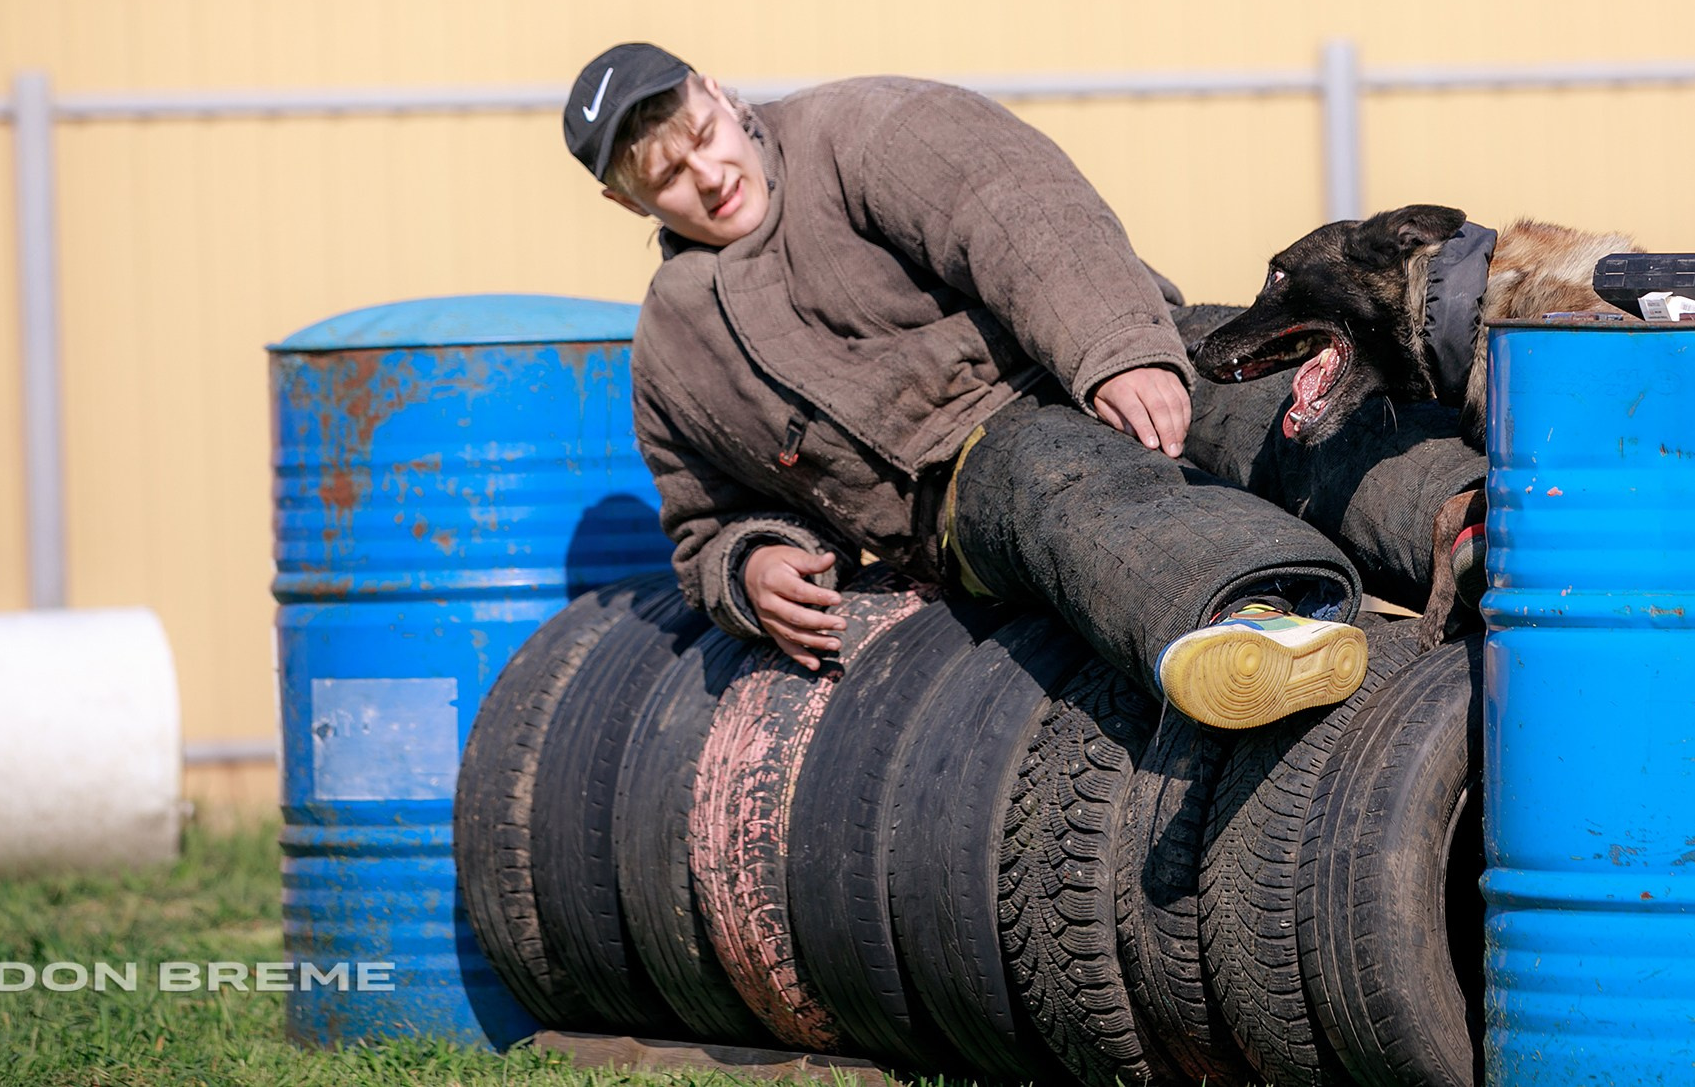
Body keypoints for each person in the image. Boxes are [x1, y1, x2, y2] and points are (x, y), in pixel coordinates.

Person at [562, 41, 1371, 729]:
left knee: (1272, 394)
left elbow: (1016, 204)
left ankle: (1471, 524)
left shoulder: (858, 126)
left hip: (1090, 341)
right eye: (669, 175)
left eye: (704, 134)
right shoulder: (673, 345)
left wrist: (1120, 347)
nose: (708, 174)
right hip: (966, 472)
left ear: (714, 90)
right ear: (621, 198)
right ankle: (1250, 624)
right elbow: (705, 518)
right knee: (1055, 476)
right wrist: (752, 564)